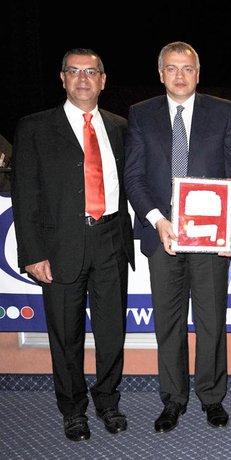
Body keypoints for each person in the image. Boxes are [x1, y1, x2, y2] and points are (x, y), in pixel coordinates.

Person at [11, 48, 135, 441]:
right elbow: (25, 194)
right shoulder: (35, 127)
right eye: (74, 71)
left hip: (111, 239)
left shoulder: (120, 126)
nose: (83, 78)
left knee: (112, 331)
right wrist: (33, 253)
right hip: (60, 244)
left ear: (103, 80)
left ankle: (108, 402)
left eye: (91, 72)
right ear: (62, 78)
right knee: (66, 335)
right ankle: (73, 409)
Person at [124, 41, 231, 432]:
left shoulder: (222, 111)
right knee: (168, 322)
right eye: (172, 68)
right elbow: (134, 176)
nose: (180, 75)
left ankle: (212, 397)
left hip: (210, 237)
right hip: (163, 235)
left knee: (211, 320)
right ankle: (173, 399)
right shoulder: (141, 114)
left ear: (198, 73)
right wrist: (158, 220)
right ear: (161, 73)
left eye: (188, 68)